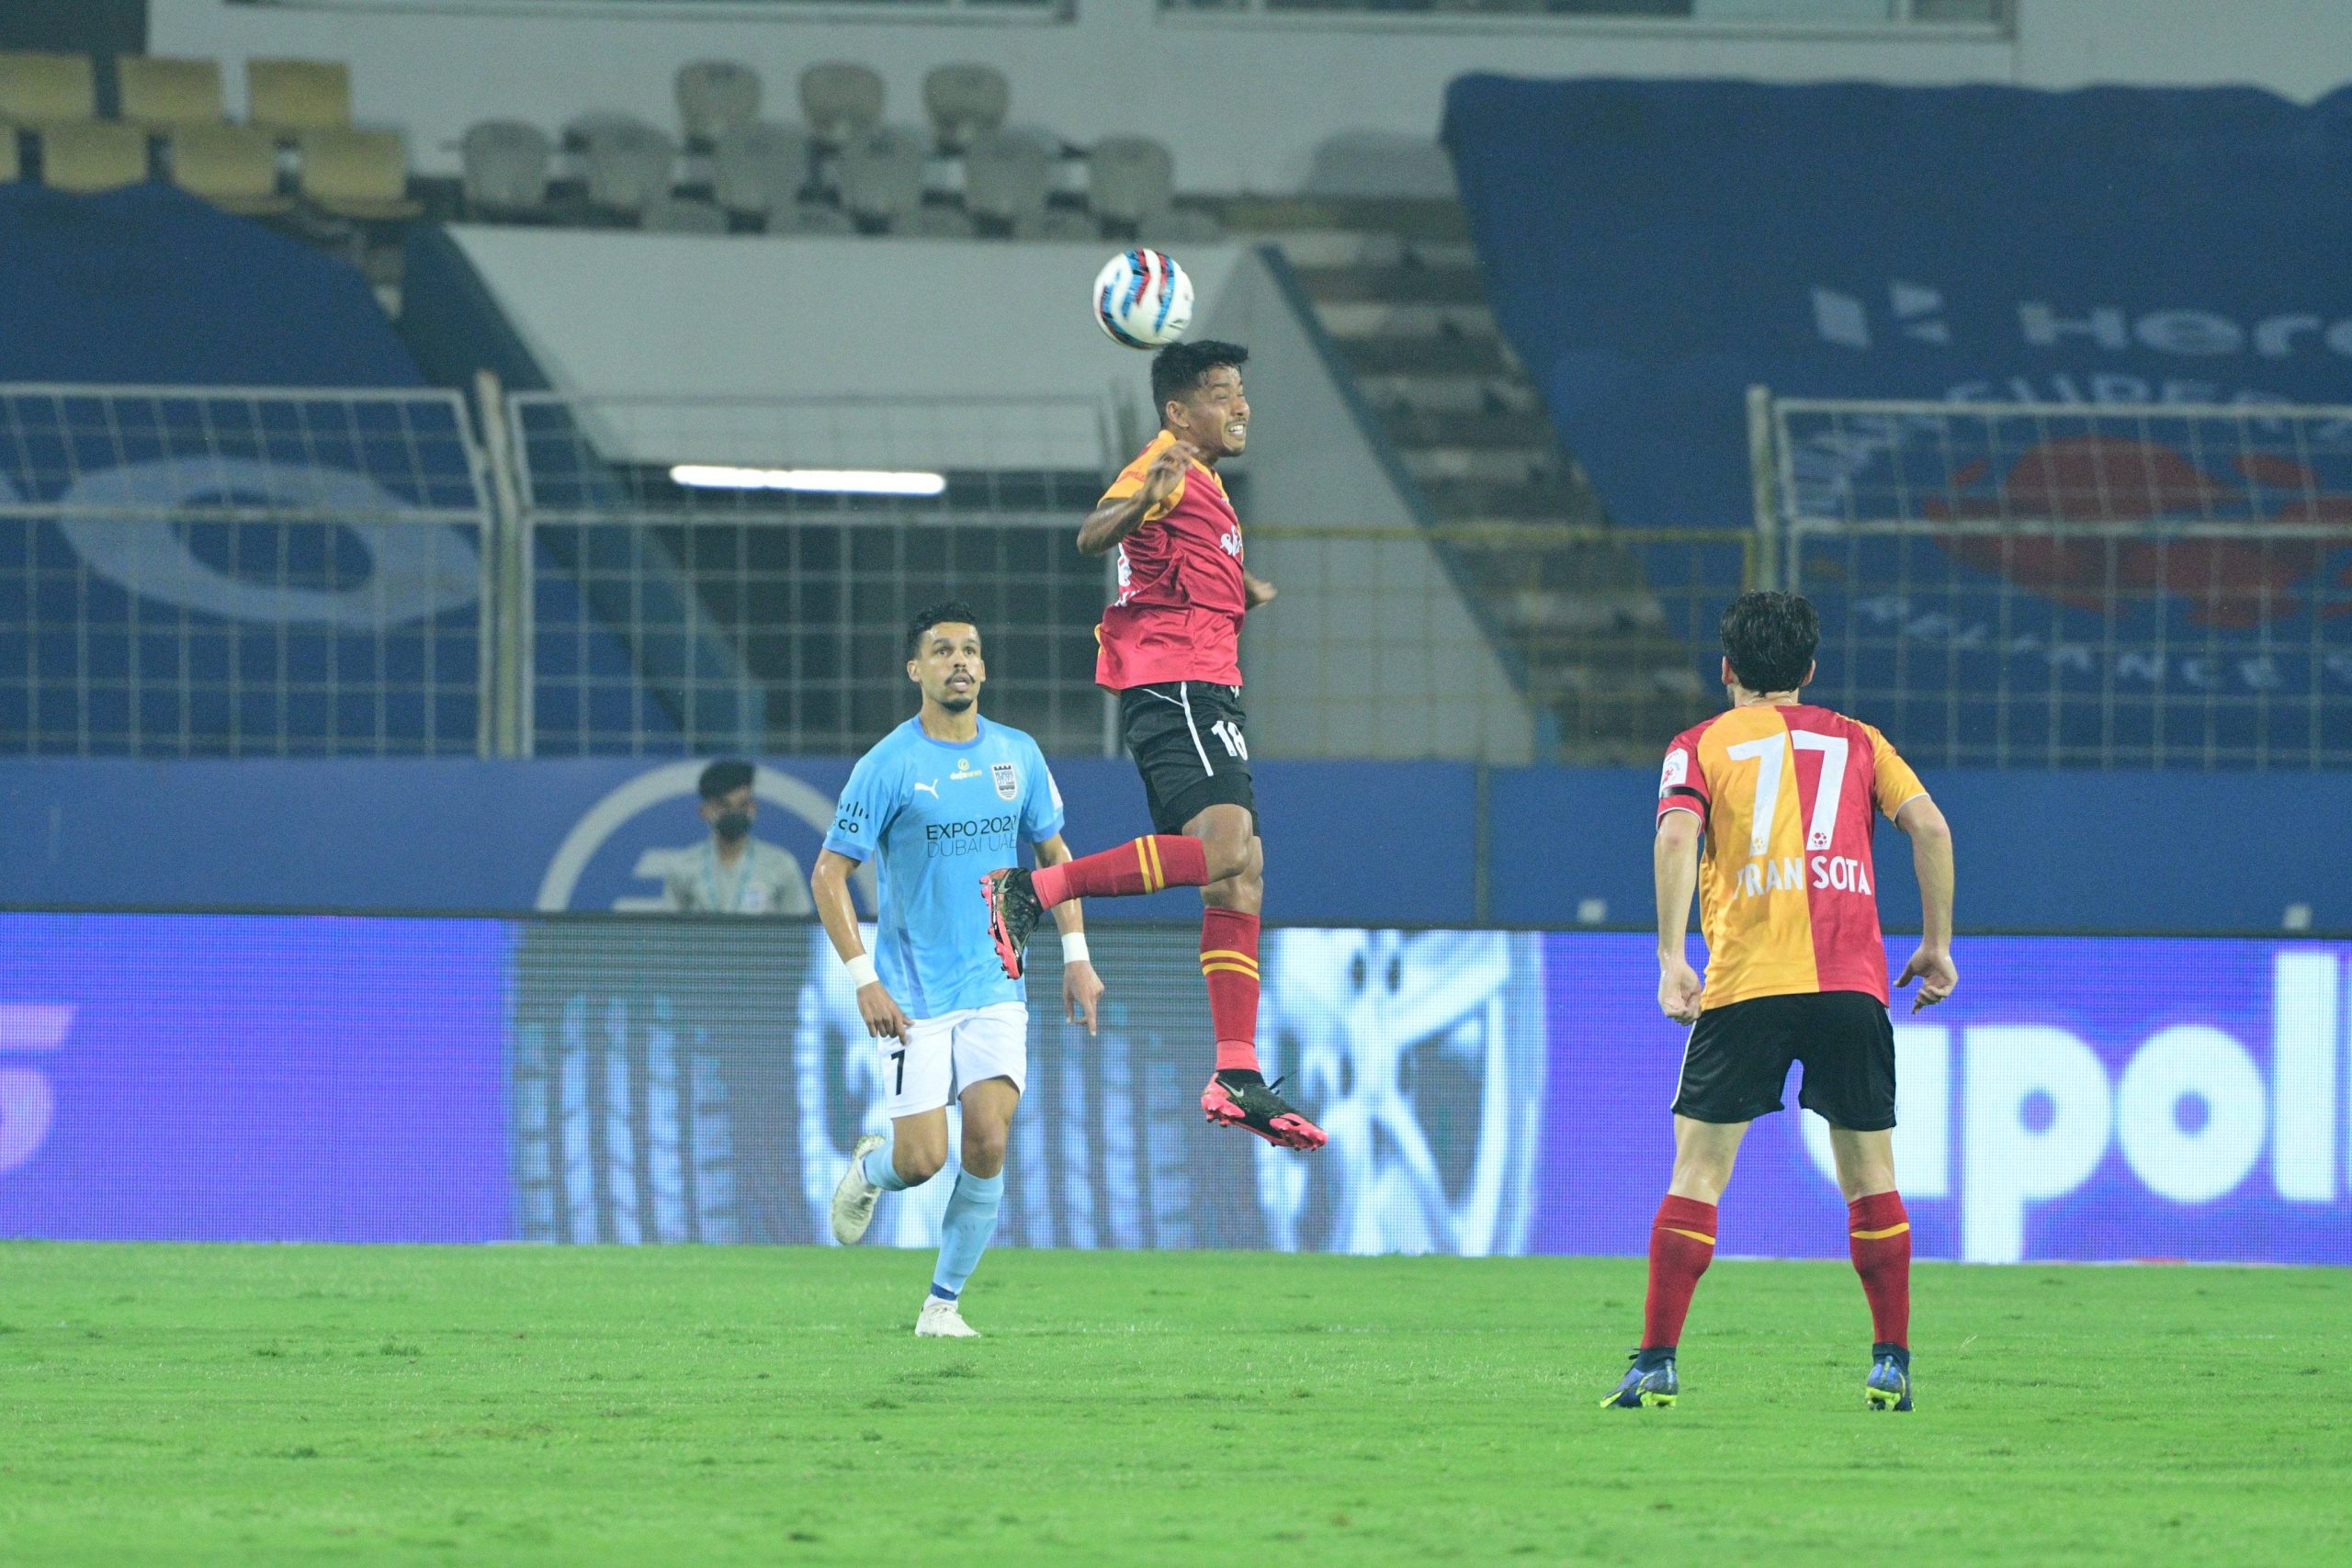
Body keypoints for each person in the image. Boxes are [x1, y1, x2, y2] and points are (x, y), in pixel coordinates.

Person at [1603, 591, 1957, 1414]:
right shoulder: (1860, 741)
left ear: (1727, 669)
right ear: (1808, 670)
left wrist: (1669, 956)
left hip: (1746, 985)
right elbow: (1932, 828)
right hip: (1851, 988)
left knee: (1697, 1172)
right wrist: (1936, 945)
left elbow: (1674, 835)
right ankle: (1891, 1359)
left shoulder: (1698, 745)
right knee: (1871, 1177)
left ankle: (1656, 1361)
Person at [978, 340, 1325, 1153]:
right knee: (1227, 846)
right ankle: (1030, 891)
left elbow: (1175, 564)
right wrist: (1142, 501)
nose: (1240, 407)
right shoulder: (1165, 460)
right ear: (1178, 410)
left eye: (1241, 392)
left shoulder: (1204, 484)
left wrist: (1241, 588)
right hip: (1176, 684)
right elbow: (1093, 534)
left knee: (1242, 876)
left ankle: (1236, 1071)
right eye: (1221, 394)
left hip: (1206, 684)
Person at [811, 600, 1104, 1337]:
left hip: (997, 981)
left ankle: (941, 1305)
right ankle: (871, 1170)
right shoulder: (888, 765)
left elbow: (1055, 857)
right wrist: (862, 979)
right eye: (942, 651)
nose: (960, 661)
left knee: (989, 1141)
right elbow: (827, 874)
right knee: (922, 1160)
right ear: (917, 669)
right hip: (910, 992)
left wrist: (1077, 956)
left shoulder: (1018, 754)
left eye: (970, 649)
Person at [659, 759, 815, 917]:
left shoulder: (781, 865)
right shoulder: (682, 868)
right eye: (723, 805)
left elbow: (802, 929)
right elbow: (667, 933)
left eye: (743, 805)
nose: (734, 813)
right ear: (704, 811)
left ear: (753, 808)